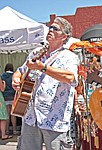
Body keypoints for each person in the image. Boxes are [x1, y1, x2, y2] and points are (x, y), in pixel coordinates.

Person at [12, 17, 79, 150]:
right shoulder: (36, 52)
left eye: (55, 28)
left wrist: (43, 67)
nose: (50, 30)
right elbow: (21, 70)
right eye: (50, 27)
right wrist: (16, 78)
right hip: (31, 116)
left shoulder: (69, 57)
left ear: (64, 36)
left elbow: (70, 77)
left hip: (54, 118)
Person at [1, 63, 17, 135]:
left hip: (5, 96)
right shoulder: (14, 75)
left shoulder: (2, 76)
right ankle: (14, 130)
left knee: (6, 114)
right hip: (13, 96)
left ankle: (6, 130)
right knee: (13, 114)